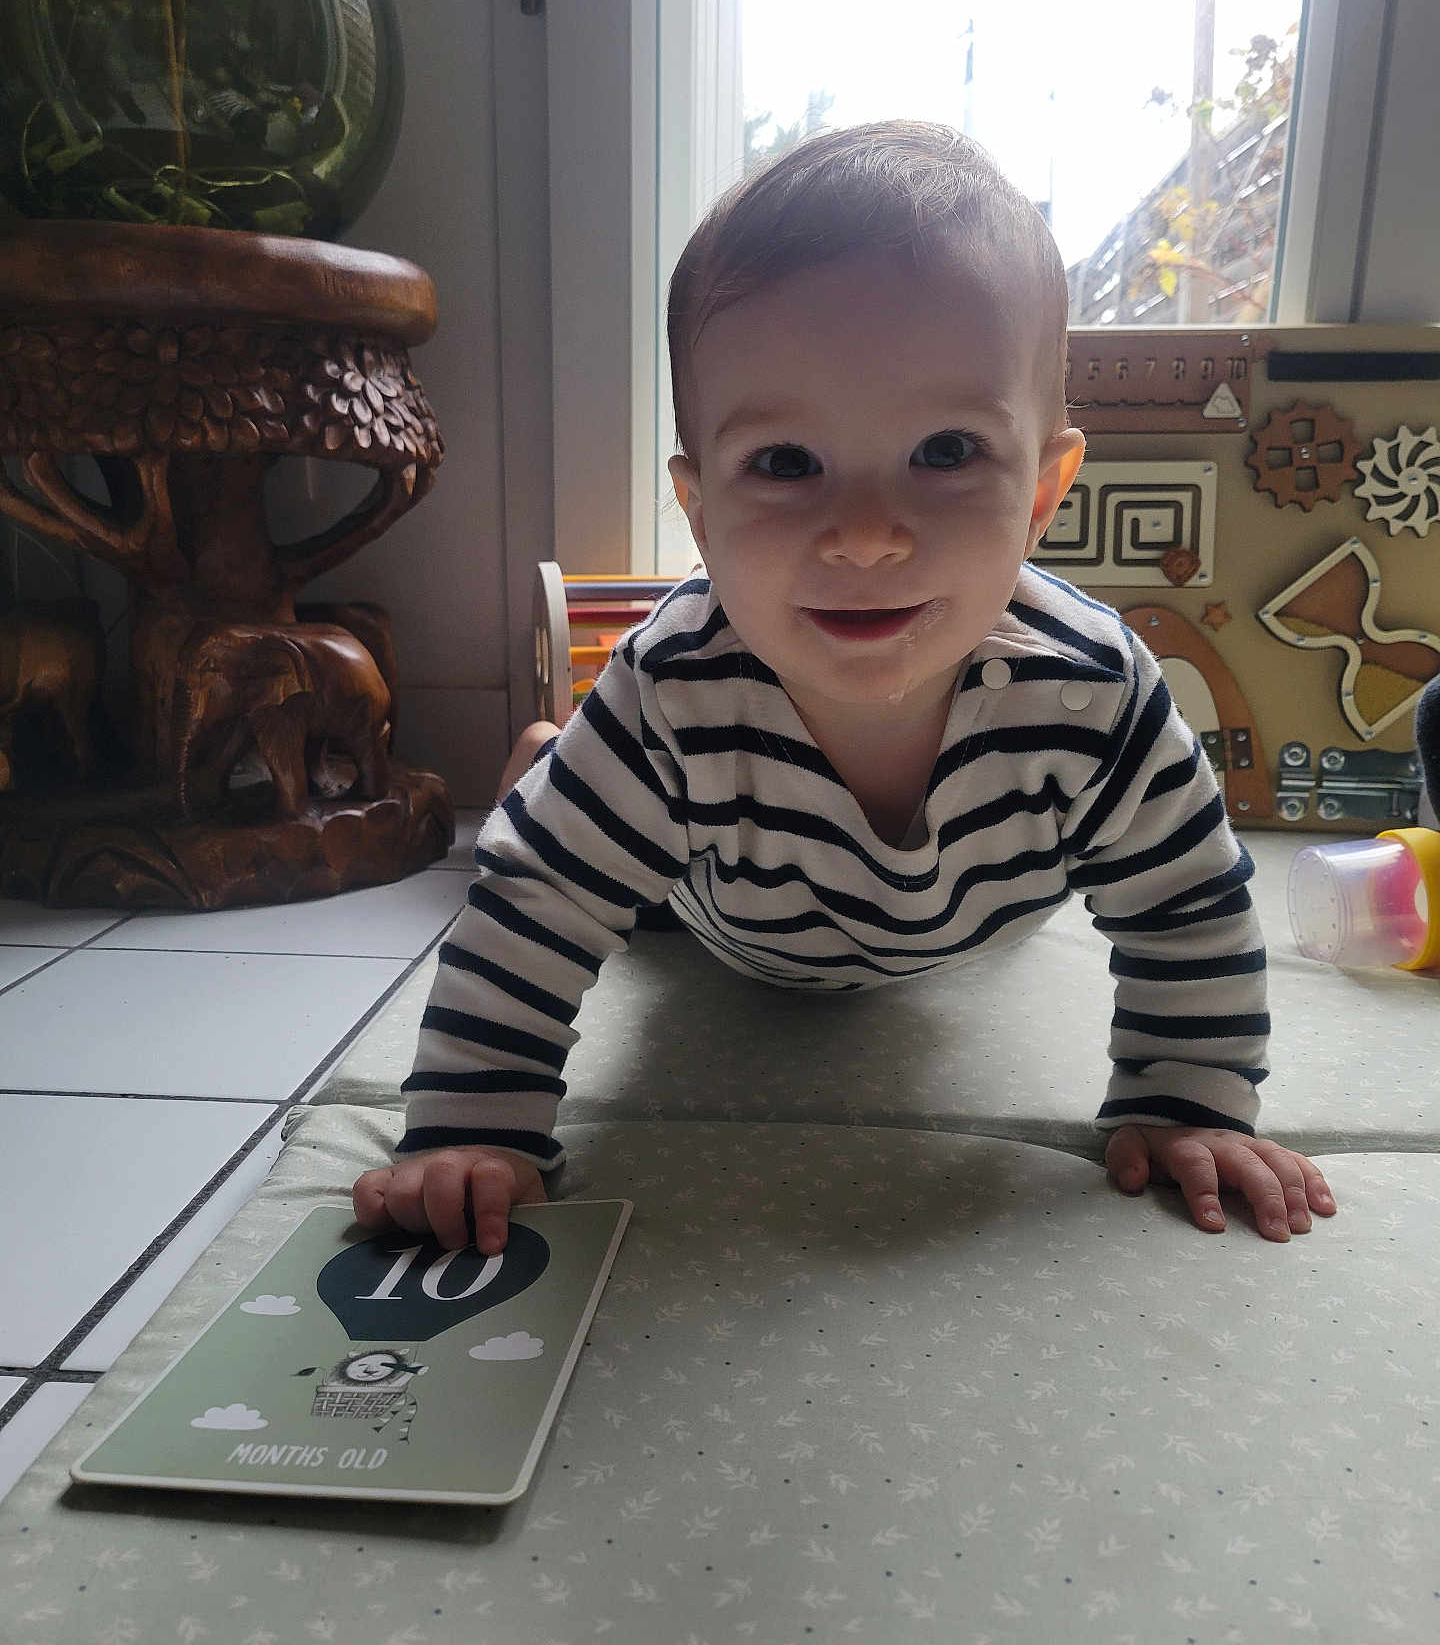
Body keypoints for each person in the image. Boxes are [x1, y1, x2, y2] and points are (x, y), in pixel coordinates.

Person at [353, 119, 1336, 1256]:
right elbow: (536, 909)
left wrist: (1187, 1103)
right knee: (568, 846)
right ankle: (555, 772)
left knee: (1075, 870)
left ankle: (558, 775)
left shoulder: (1093, 696)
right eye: (784, 464)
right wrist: (474, 1130)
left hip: (974, 916)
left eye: (947, 452)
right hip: (714, 906)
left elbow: (1186, 908)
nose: (866, 536)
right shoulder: (673, 694)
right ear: (701, 507)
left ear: (1044, 487)